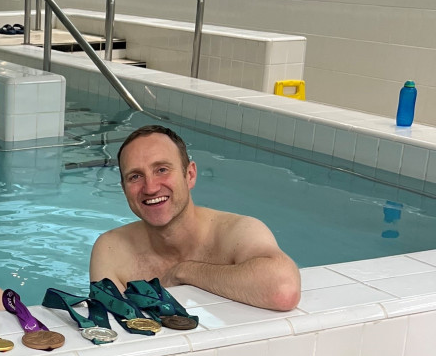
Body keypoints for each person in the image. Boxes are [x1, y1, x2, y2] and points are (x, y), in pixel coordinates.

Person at [90, 125, 301, 311]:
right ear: (124, 189)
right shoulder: (112, 250)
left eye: (162, 170)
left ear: (189, 175)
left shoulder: (238, 232)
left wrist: (184, 271)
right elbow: (110, 334)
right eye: (135, 176)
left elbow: (283, 290)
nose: (151, 187)